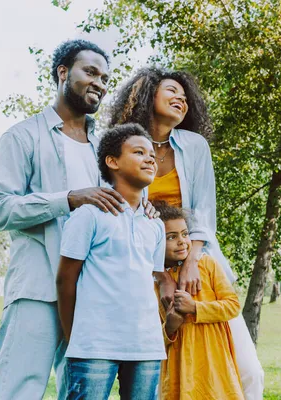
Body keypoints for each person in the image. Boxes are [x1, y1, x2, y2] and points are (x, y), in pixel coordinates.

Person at [0, 40, 156, 399]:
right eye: (90, 72)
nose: (100, 83)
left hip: (92, 297)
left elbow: (120, 201)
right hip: (37, 288)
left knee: (77, 391)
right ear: (63, 73)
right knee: (18, 388)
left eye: (105, 77)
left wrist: (144, 209)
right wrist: (67, 199)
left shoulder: (104, 147)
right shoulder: (22, 137)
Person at [109, 67, 265, 399]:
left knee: (249, 371)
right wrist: (160, 274)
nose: (181, 98)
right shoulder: (123, 148)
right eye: (171, 90)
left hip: (200, 262)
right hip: (140, 271)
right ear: (148, 94)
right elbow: (123, 215)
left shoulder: (194, 146)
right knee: (159, 375)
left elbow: (205, 212)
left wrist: (192, 261)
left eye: (184, 94)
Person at [57, 123, 166, 400]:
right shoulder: (89, 215)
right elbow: (65, 279)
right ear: (112, 161)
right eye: (139, 152)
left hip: (146, 347)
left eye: (152, 154)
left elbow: (151, 281)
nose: (150, 158)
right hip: (94, 347)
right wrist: (75, 339)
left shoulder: (155, 224)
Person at [155, 201, 244, 400]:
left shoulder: (207, 265)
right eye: (171, 237)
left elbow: (233, 305)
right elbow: (152, 338)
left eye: (185, 234)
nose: (182, 241)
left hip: (214, 360)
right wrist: (169, 328)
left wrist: (195, 307)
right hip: (180, 367)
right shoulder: (155, 284)